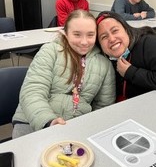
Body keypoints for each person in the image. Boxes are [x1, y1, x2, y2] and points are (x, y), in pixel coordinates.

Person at [12, 10, 116, 138]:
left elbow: (104, 106)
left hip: (75, 126)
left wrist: (90, 127)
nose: (84, 42)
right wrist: (48, 121)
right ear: (66, 34)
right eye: (77, 34)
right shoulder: (50, 51)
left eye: (90, 35)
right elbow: (32, 91)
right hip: (32, 119)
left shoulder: (104, 64)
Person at [96, 11, 156, 102]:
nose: (111, 39)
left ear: (126, 29)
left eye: (115, 31)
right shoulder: (104, 58)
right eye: (104, 37)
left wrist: (131, 72)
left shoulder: (150, 44)